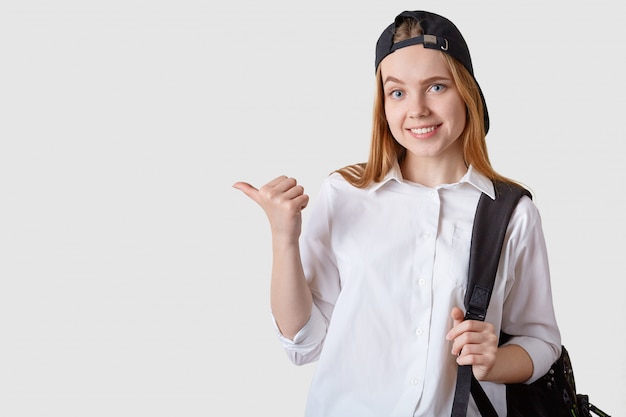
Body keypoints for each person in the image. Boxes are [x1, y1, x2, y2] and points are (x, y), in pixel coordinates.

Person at [233, 10, 561, 417]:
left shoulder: (511, 213)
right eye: (398, 92)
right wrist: (283, 239)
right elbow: (305, 342)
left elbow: (541, 341)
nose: (417, 109)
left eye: (436, 87)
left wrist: (495, 360)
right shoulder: (345, 194)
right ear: (382, 105)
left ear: (467, 93)